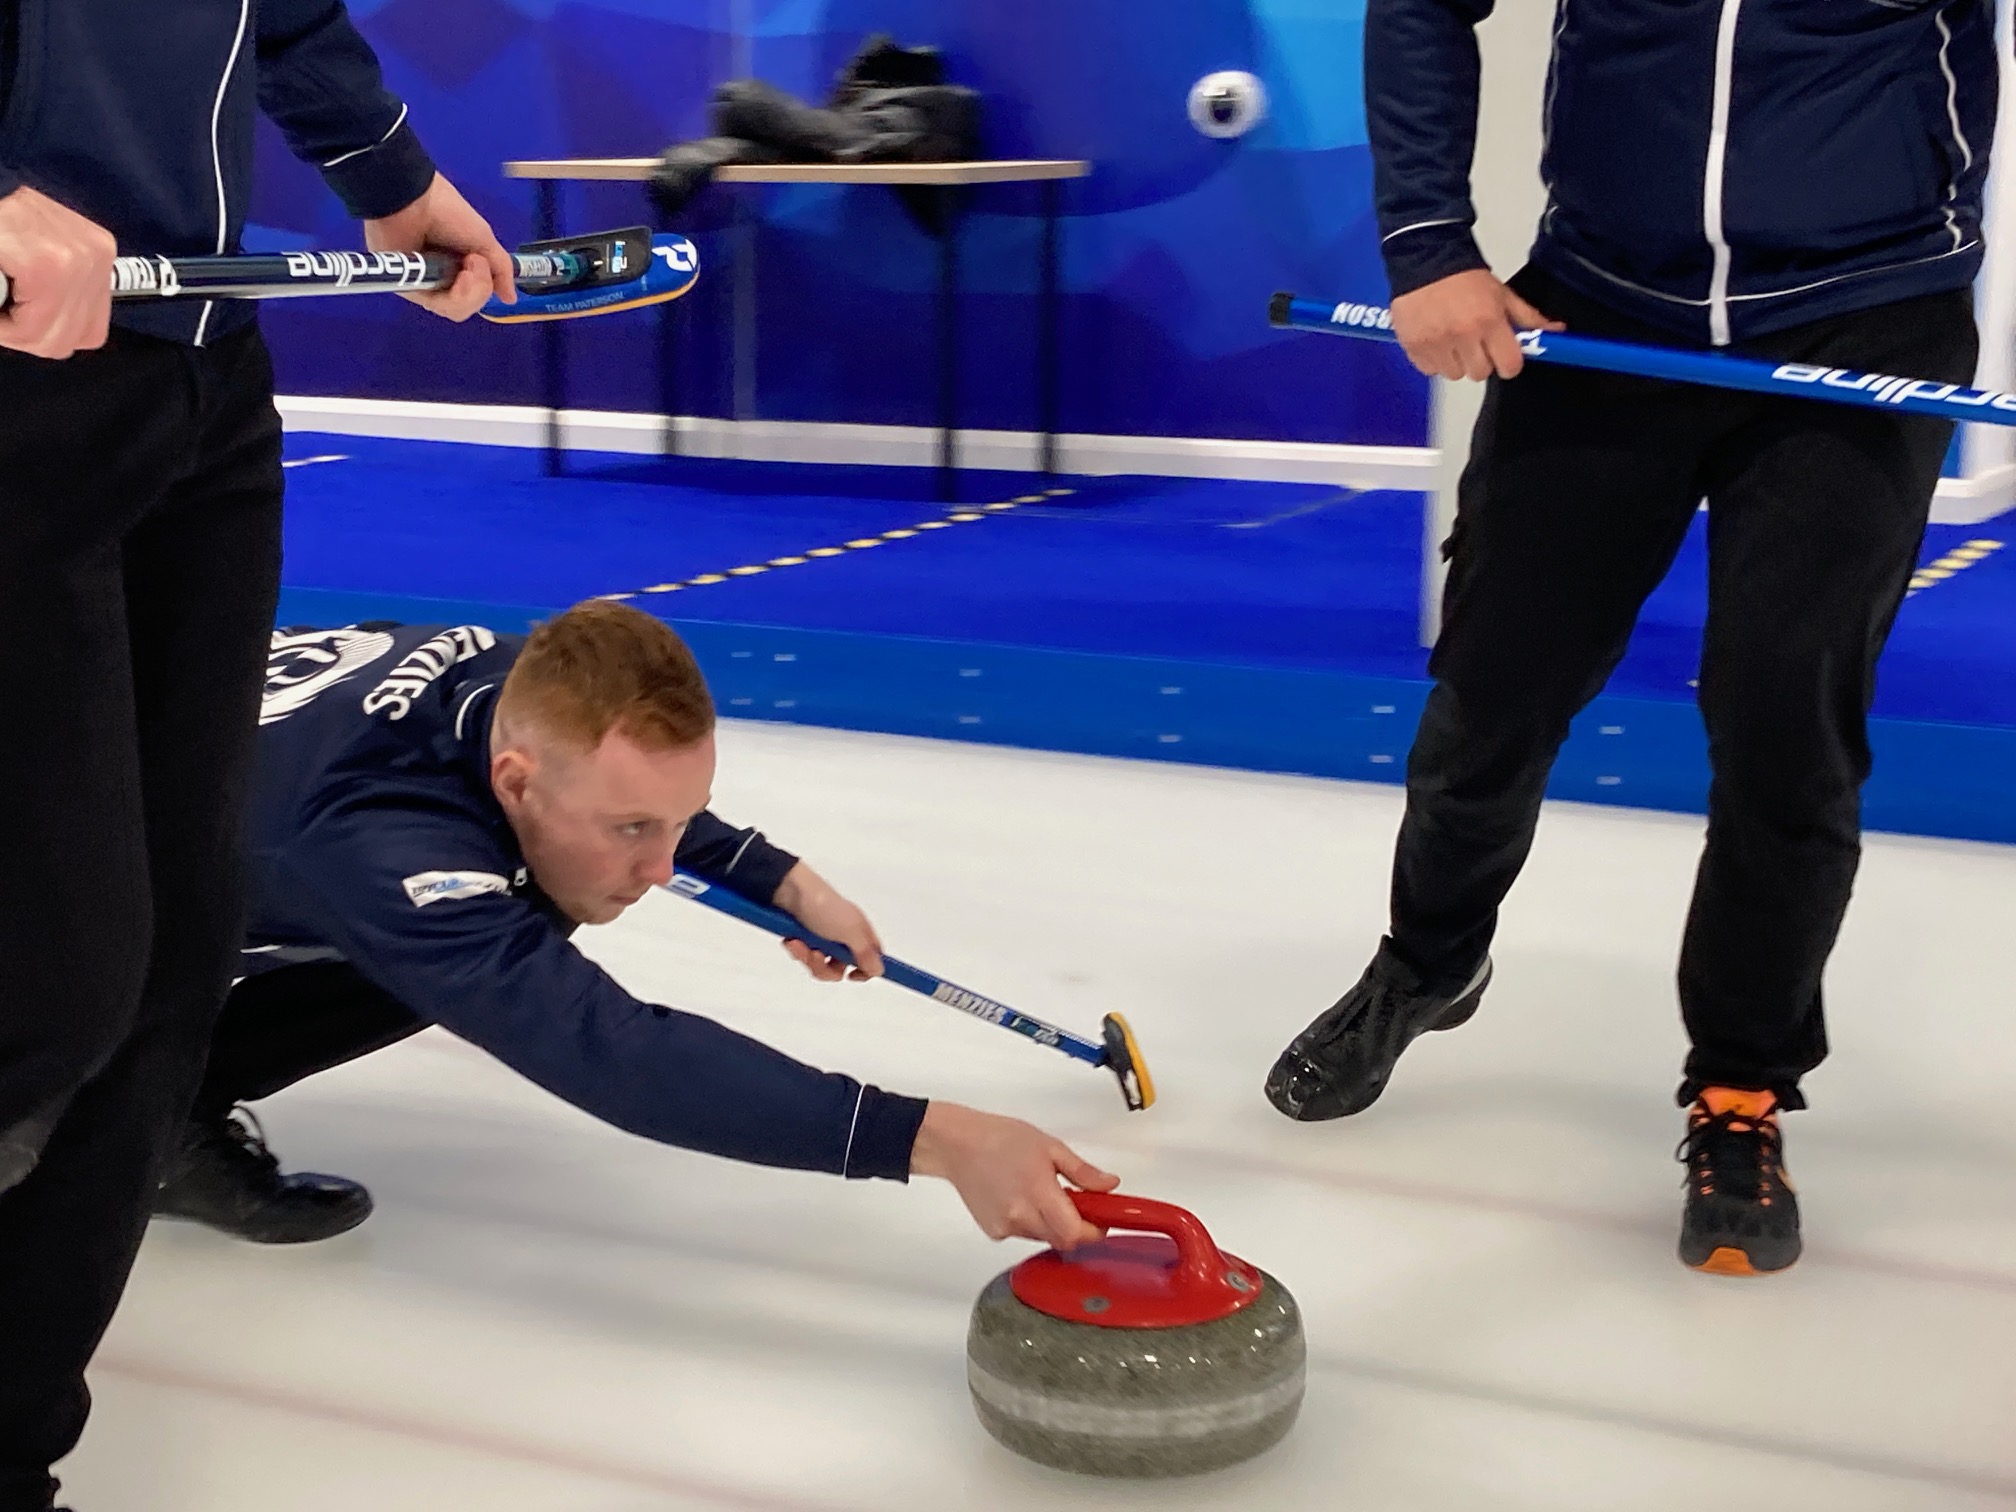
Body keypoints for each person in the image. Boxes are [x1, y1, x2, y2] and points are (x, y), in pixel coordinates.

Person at [1266, 0, 1991, 1277]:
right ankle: (1428, 963)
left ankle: (1742, 1091)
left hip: (1865, 317)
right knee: (1497, 688)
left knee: (1785, 719)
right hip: (1605, 307)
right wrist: (1430, 243)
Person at [0, 6, 516, 1507]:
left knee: (164, 976)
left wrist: (389, 173)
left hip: (197, 379)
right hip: (19, 368)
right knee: (57, 976)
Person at [152, 601, 1119, 1254]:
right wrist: (933, 1137)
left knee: (526, 902)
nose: (660, 870)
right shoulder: (379, 848)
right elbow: (610, 1052)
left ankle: (162, 1107)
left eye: (673, 825)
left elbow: (627, 789)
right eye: (631, 833)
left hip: (159, 799)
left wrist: (779, 879)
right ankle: (101, 1114)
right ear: (515, 780)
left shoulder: (508, 683)